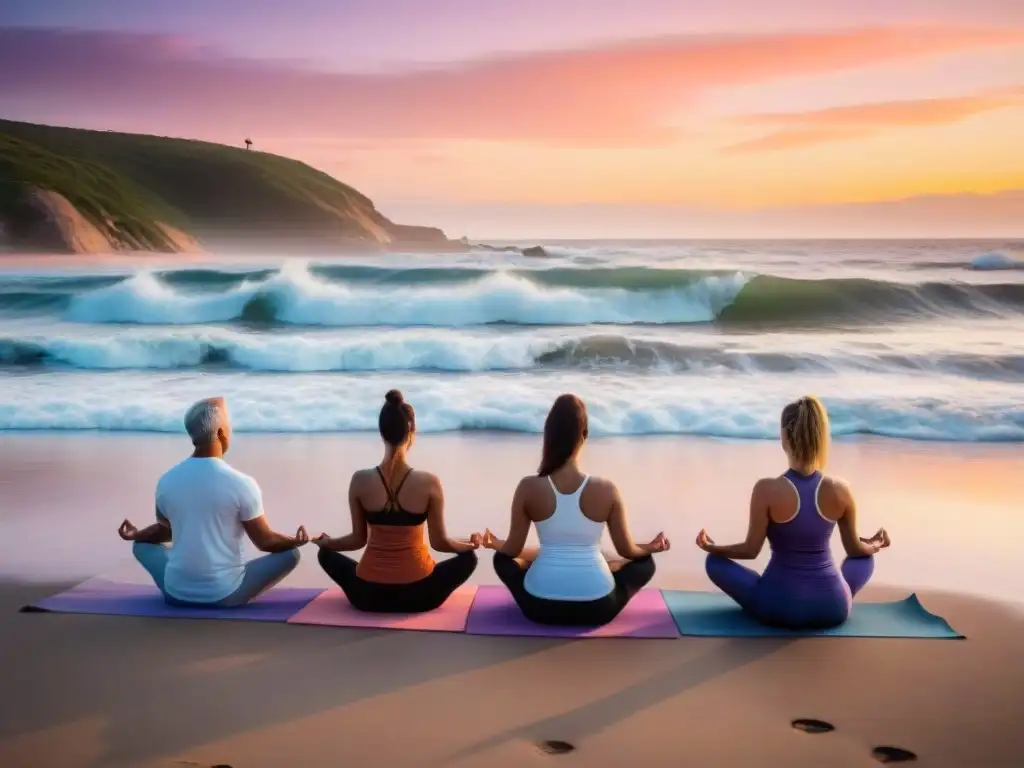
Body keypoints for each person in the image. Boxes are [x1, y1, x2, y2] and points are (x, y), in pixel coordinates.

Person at [696, 395, 891, 629]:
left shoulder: (766, 489)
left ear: (785, 436)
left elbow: (750, 551)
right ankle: (839, 590)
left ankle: (771, 590)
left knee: (714, 563)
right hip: (833, 608)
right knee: (865, 557)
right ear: (821, 436)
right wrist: (875, 545)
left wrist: (713, 548)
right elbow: (854, 549)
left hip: (778, 606)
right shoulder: (841, 490)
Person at [483, 393, 670, 627]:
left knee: (502, 560)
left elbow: (512, 550)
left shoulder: (528, 487)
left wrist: (495, 544)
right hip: (598, 607)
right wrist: (651, 547)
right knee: (645, 563)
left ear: (548, 436)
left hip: (539, 606)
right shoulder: (607, 489)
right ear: (585, 435)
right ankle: (602, 572)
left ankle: (547, 571)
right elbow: (628, 550)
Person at [117, 397, 308, 607]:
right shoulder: (242, 483)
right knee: (291, 555)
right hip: (225, 595)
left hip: (175, 593)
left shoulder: (166, 480)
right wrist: (295, 541)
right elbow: (265, 542)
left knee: (141, 545)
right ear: (220, 433)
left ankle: (181, 580)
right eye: (228, 425)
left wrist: (137, 534)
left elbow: (166, 531)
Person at [313, 390, 479, 613]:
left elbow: (357, 540)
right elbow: (440, 543)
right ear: (412, 431)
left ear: (381, 433)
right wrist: (469, 545)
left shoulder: (360, 480)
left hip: (367, 595)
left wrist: (328, 543)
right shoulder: (429, 482)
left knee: (326, 554)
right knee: (469, 558)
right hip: (420, 595)